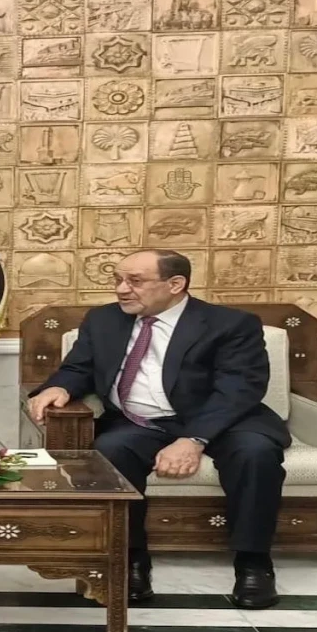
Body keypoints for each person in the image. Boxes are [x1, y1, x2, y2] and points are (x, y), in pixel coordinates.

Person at [27, 250, 288, 609]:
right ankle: (131, 560)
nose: (121, 289)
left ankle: (253, 564)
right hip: (140, 422)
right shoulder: (103, 320)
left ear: (175, 284)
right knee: (109, 452)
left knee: (255, 454)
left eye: (135, 281)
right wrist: (59, 387)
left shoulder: (230, 324)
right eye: (118, 280)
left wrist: (193, 439)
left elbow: (238, 388)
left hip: (223, 420)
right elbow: (79, 368)